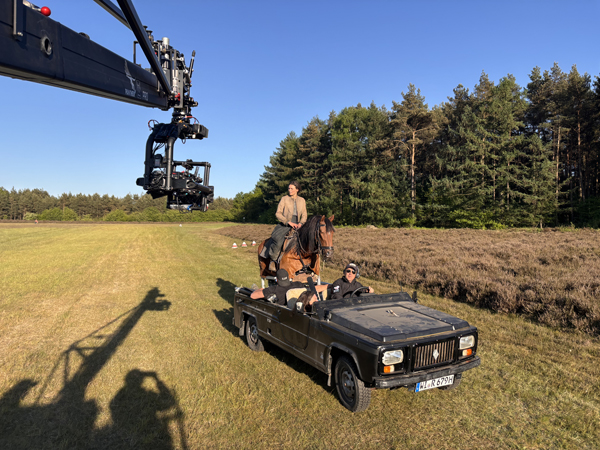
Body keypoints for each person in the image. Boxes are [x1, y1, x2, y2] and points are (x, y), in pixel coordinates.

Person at [268, 181, 307, 271]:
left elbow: (304, 215)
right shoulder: (284, 199)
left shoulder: (302, 200)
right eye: (289, 188)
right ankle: (273, 260)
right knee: (278, 240)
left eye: (292, 189)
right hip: (285, 224)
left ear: (297, 189)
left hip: (299, 225)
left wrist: (301, 223)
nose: (290, 190)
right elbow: (278, 213)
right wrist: (288, 222)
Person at [251, 269, 327, 306]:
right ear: (288, 278)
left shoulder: (274, 289)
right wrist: (328, 286)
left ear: (277, 280)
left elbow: (253, 296)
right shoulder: (298, 284)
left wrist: (261, 289)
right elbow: (314, 288)